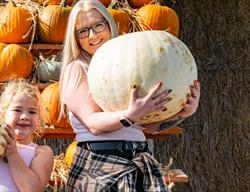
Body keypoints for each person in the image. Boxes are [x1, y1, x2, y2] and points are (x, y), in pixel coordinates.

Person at [59, 0, 201, 191]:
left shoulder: (126, 66)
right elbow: (93, 123)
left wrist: (183, 112)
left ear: (109, 24)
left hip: (138, 161)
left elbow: (150, 125)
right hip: (100, 165)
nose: (92, 35)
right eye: (83, 31)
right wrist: (129, 115)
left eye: (98, 25)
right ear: (75, 38)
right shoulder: (76, 69)